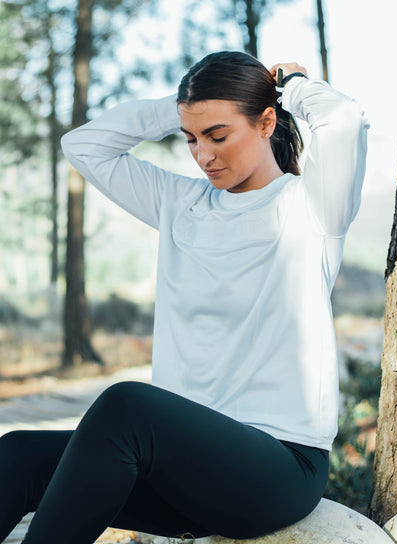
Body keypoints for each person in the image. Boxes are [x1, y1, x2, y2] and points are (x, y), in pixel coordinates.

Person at [0, 51, 368, 544]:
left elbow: (344, 119)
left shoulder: (311, 208)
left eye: (218, 136)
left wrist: (292, 83)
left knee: (126, 406)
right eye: (190, 138)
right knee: (18, 455)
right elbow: (84, 145)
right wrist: (178, 108)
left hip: (278, 469)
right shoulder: (179, 203)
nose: (203, 155)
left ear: (265, 122)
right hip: (182, 474)